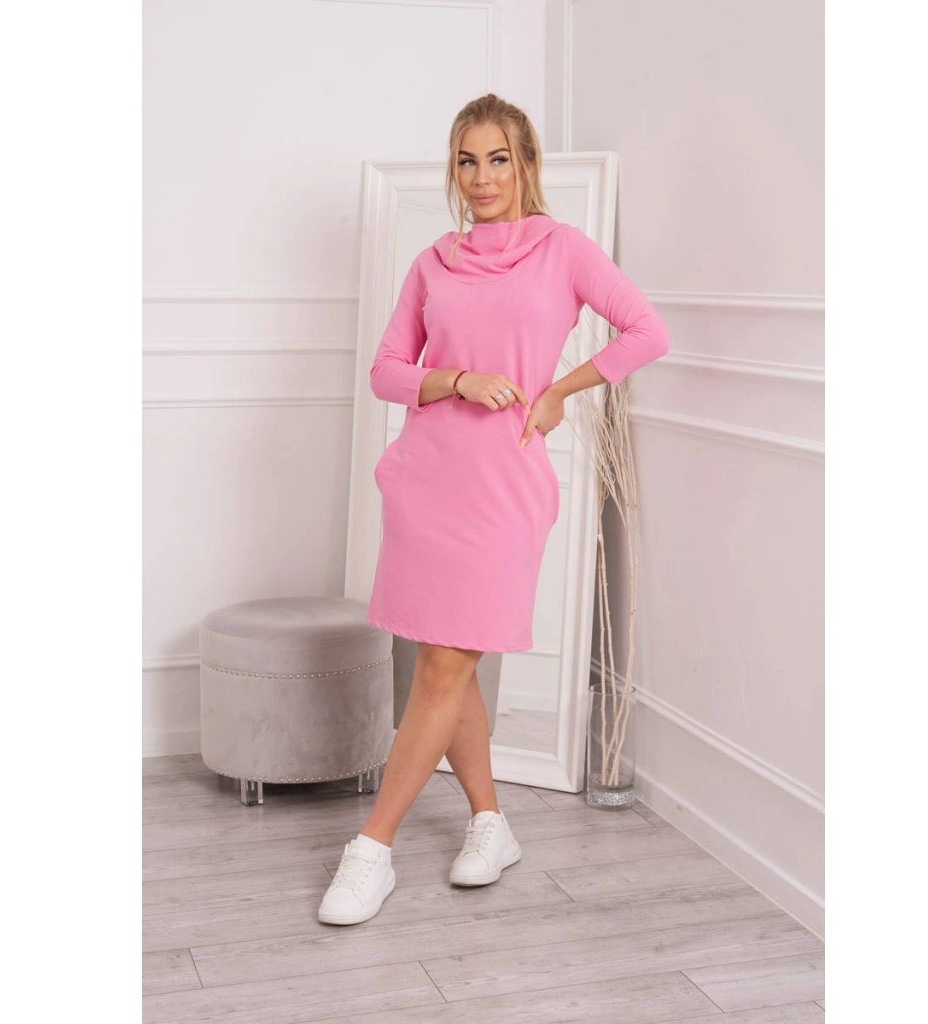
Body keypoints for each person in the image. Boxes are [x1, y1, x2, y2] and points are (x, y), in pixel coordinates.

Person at [318, 93, 670, 926]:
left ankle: (371, 849)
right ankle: (490, 823)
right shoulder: (432, 263)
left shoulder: (563, 250)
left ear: (526, 165)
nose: (482, 177)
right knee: (450, 663)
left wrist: (559, 392)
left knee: (445, 665)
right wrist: (456, 380)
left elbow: (646, 332)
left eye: (498, 159)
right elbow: (387, 371)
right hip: (427, 482)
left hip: (503, 491)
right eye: (467, 161)